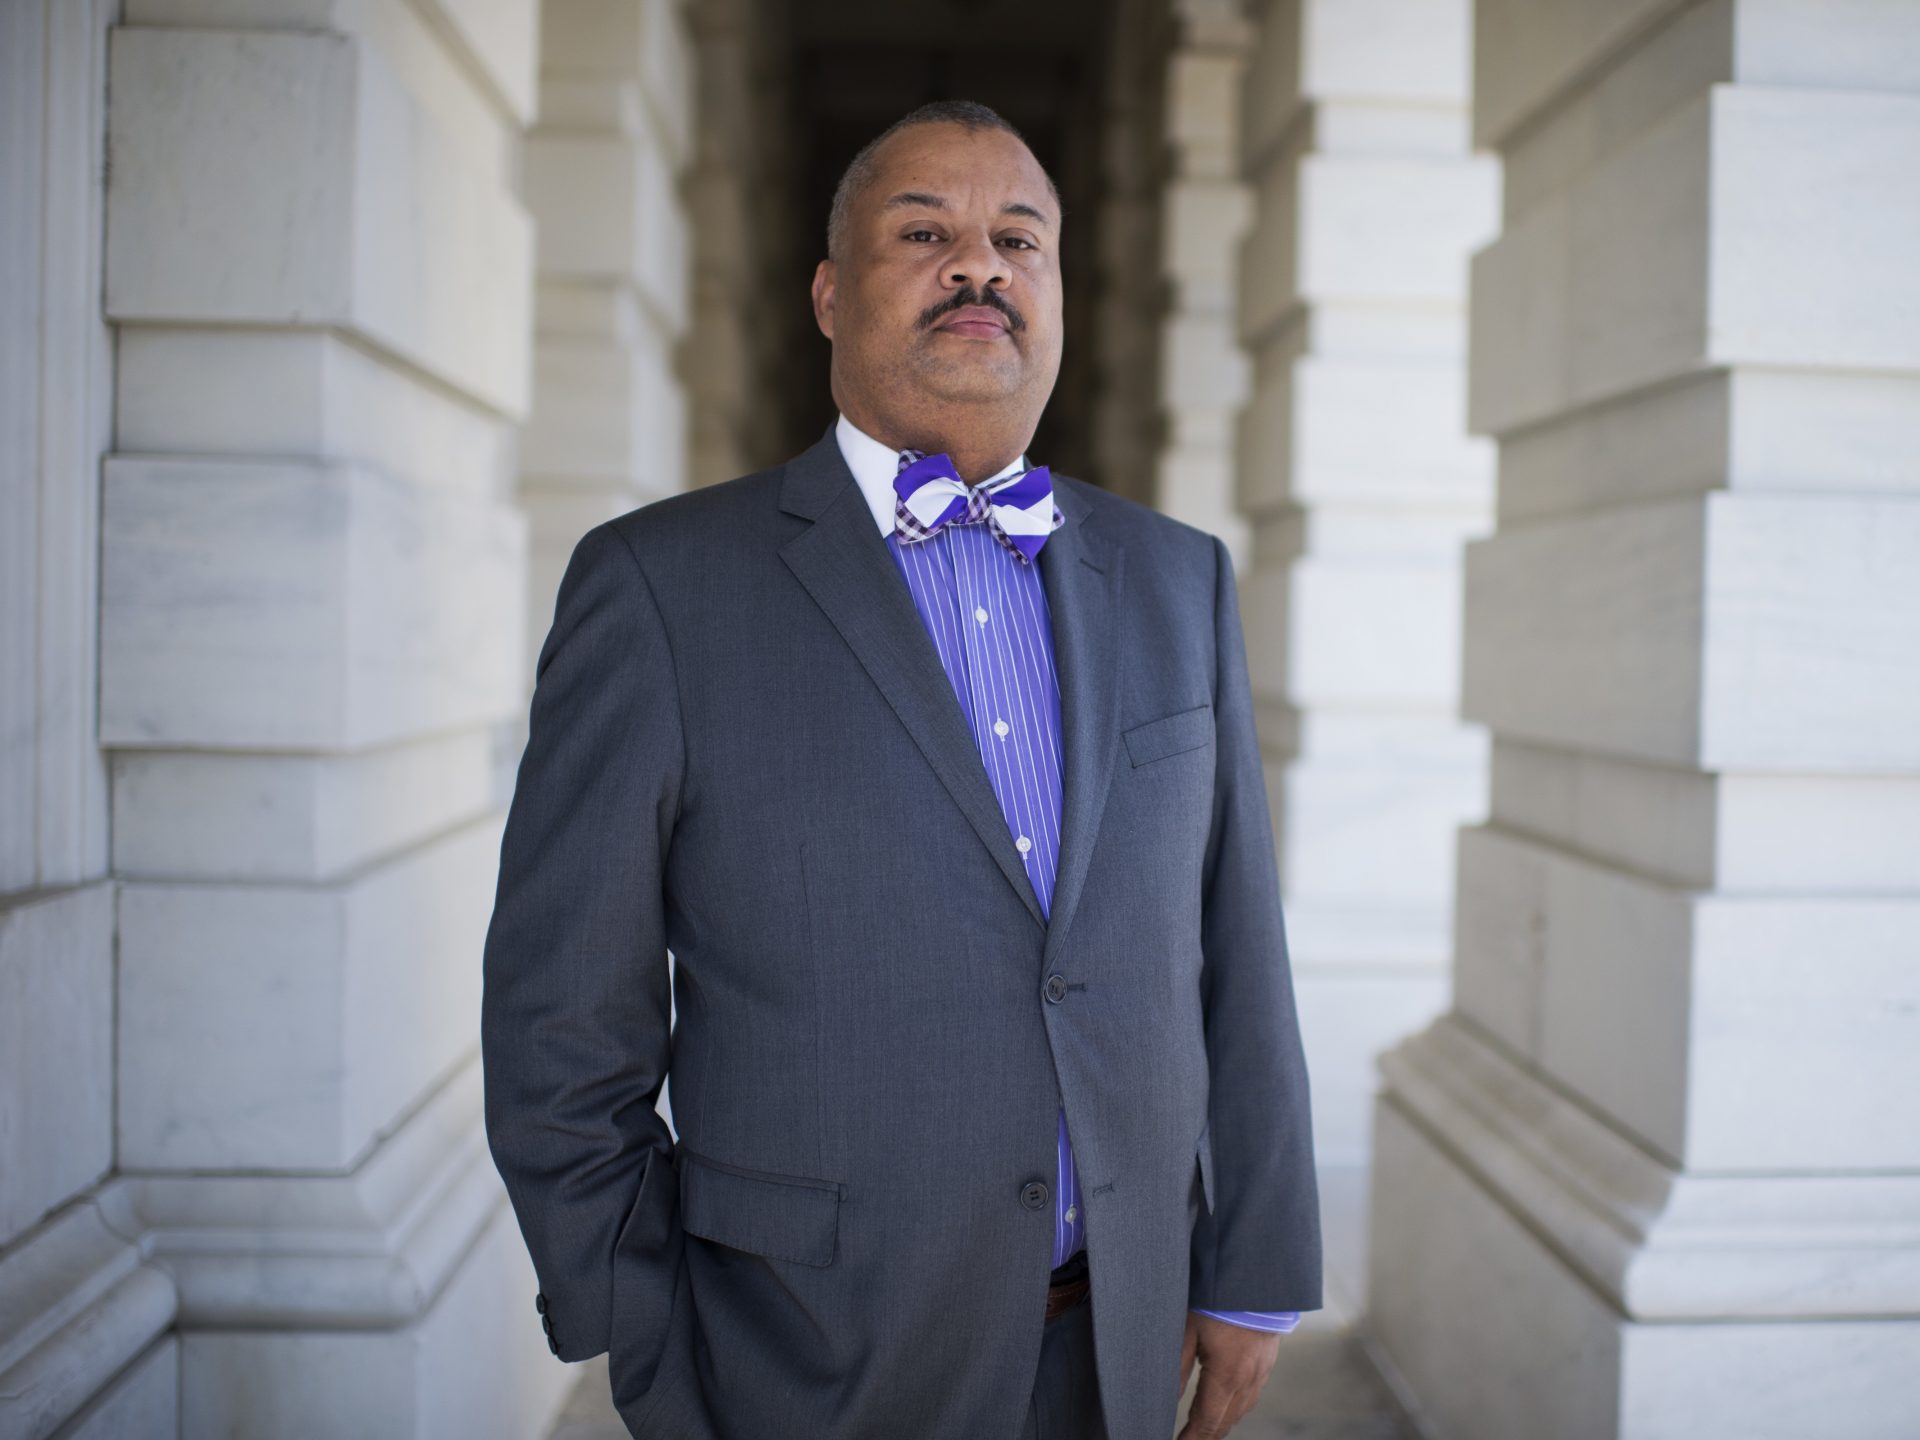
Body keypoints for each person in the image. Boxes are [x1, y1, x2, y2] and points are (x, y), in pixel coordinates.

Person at [480, 98, 1321, 1440]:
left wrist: (1259, 1272)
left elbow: (1238, 948)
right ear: (827, 292)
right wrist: (642, 1337)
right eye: (923, 231)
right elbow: (560, 1026)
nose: (977, 265)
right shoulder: (657, 590)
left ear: (1057, 292)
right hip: (800, 1360)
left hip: (1118, 1346)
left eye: (1017, 238)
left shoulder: (1179, 580)